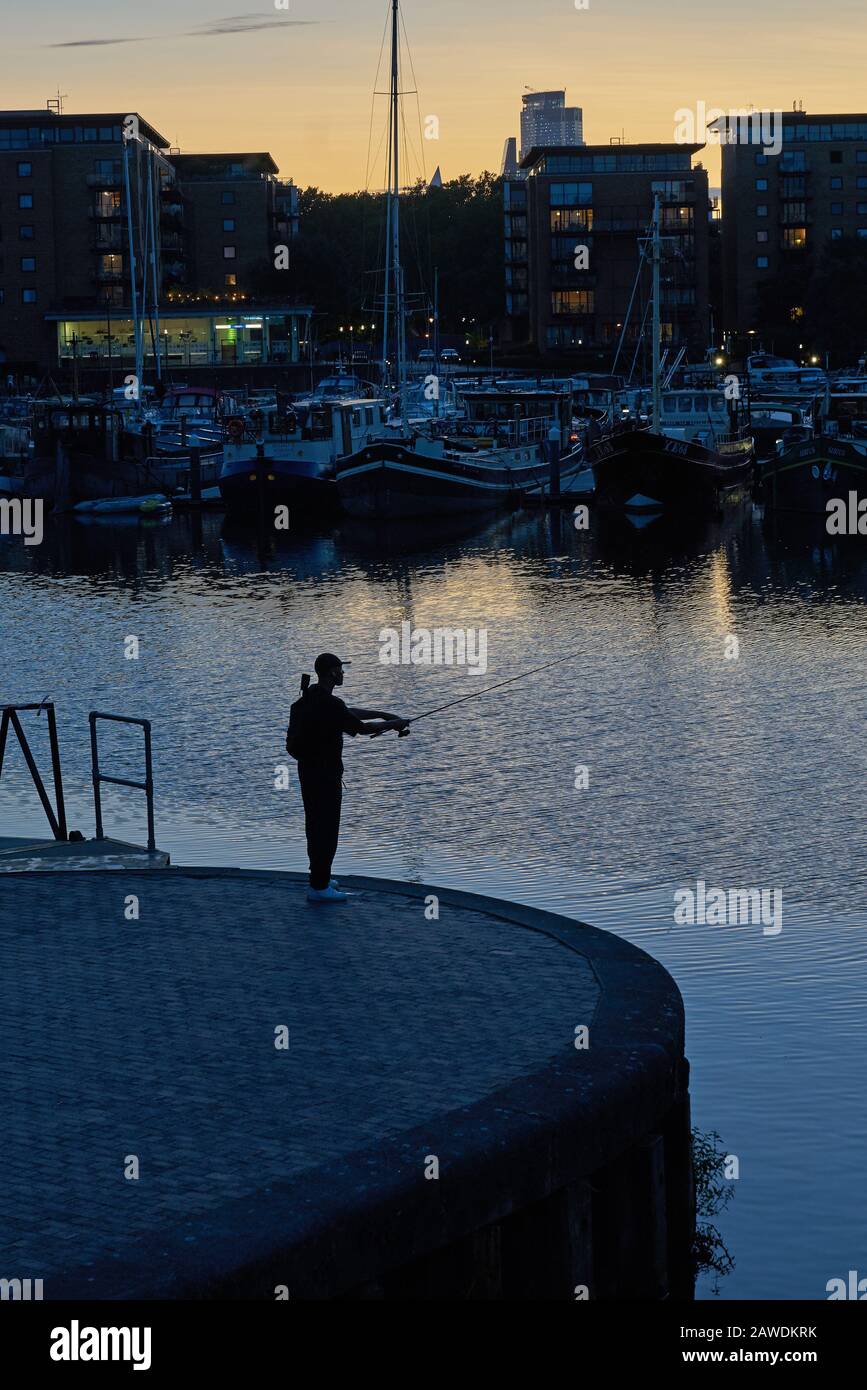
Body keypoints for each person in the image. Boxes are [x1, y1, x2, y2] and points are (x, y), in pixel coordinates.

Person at [286, 653, 409, 903]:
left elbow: (347, 713)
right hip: (326, 776)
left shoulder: (310, 698)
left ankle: (319, 878)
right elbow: (361, 729)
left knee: (314, 825)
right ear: (332, 673)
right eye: (340, 670)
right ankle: (320, 888)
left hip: (307, 772)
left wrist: (382, 713)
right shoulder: (330, 704)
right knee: (327, 830)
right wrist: (394, 723)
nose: (343, 674)